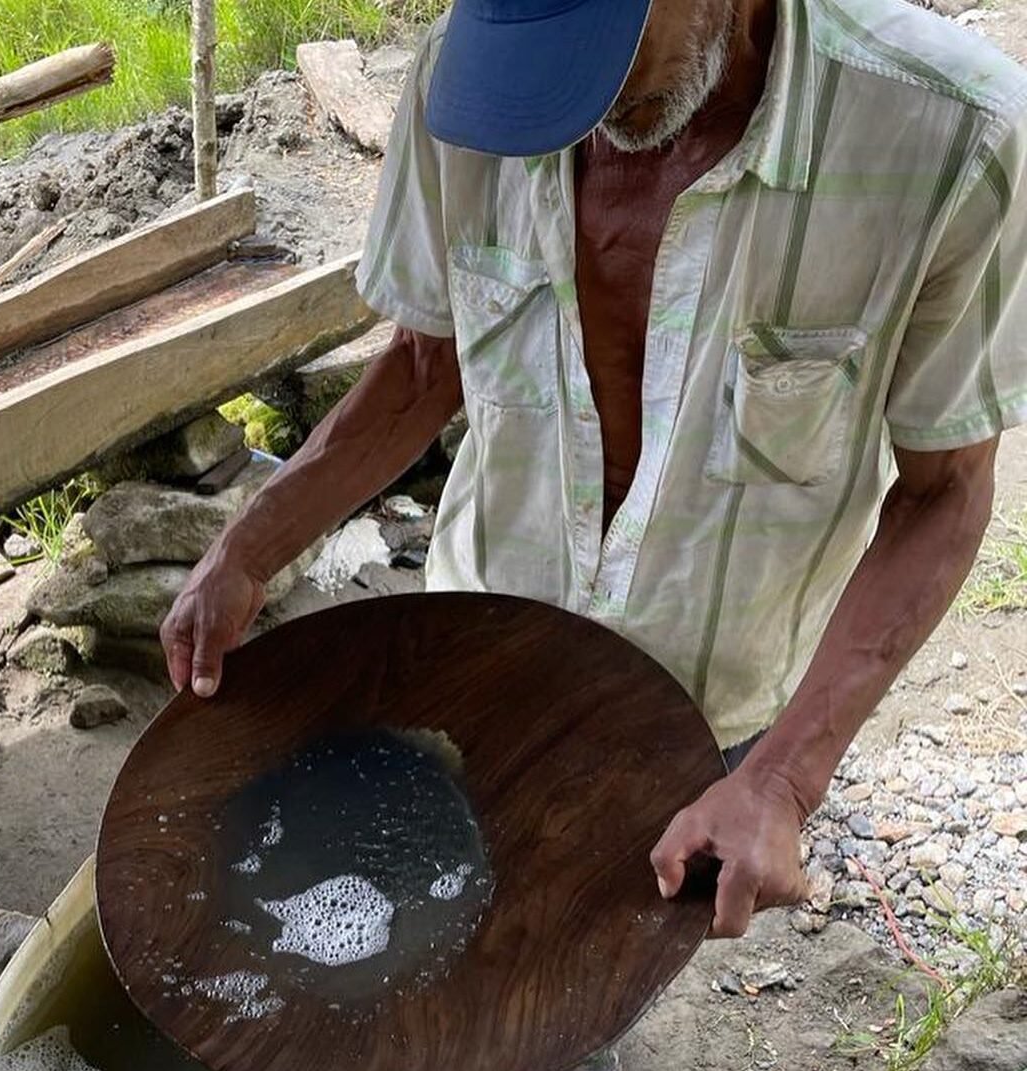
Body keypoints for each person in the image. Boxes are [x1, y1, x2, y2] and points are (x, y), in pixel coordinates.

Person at [162, 0, 1027, 937]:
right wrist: (246, 552)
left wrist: (780, 779)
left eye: (602, 51)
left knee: (590, 964)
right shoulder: (471, 86)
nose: (566, 105)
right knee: (452, 942)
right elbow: (425, 365)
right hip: (478, 651)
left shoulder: (954, 136)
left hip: (705, 714)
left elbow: (945, 491)